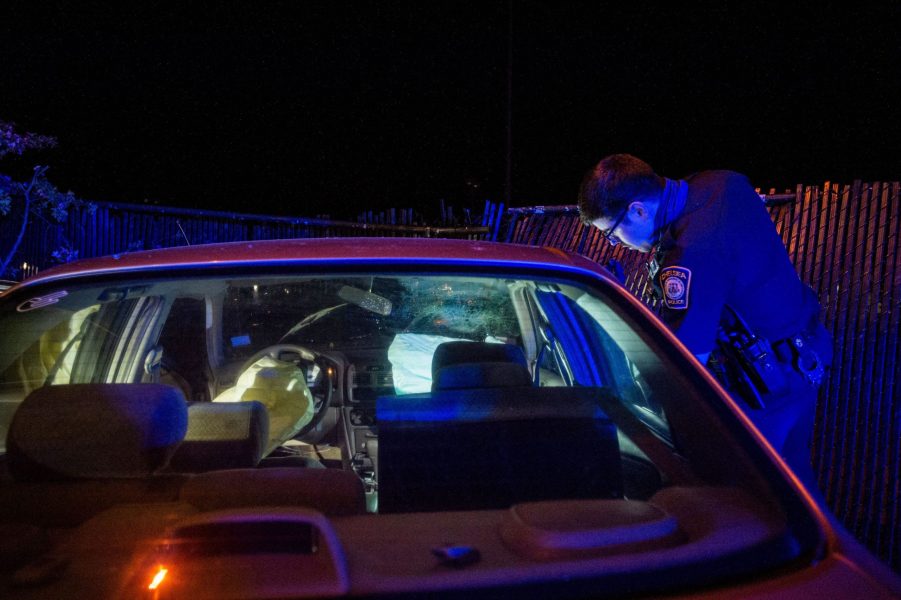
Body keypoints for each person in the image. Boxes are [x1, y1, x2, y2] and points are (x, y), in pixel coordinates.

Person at [578, 153, 833, 492]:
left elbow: (686, 363)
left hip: (766, 389)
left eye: (612, 233)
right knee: (797, 485)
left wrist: (629, 392)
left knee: (756, 500)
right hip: (804, 358)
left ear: (638, 210)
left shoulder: (692, 254)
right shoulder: (723, 182)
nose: (617, 243)